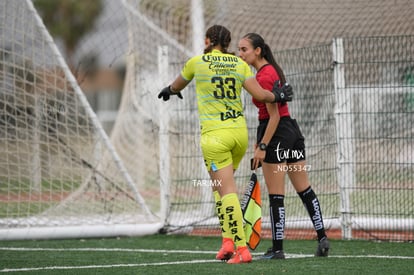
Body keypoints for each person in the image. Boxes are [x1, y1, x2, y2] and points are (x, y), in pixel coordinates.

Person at [158, 25, 292, 264]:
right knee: (220, 188)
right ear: (228, 43)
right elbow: (261, 95)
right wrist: (279, 96)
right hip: (239, 136)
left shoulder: (197, 62)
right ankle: (227, 242)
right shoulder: (239, 65)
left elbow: (177, 85)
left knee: (226, 191)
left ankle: (242, 249)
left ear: (209, 40)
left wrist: (169, 90)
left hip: (215, 138)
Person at [238, 33, 330, 259]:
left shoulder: (264, 75)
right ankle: (323, 238)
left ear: (258, 50)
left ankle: (278, 249)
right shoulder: (272, 70)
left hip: (275, 133)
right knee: (305, 190)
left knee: (276, 195)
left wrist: (262, 145)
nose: (240, 54)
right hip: (293, 133)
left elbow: (274, 116)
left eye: (244, 49)